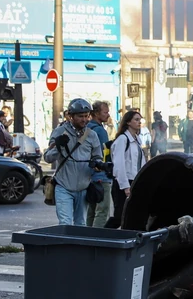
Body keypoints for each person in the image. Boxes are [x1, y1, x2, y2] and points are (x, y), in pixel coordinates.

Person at [43, 98, 102, 226]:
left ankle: (79, 247)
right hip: (64, 187)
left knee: (81, 224)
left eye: (87, 116)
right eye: (80, 116)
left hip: (84, 187)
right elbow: (47, 157)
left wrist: (97, 165)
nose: (84, 119)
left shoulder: (92, 135)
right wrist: (59, 147)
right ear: (70, 116)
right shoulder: (60, 132)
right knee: (65, 224)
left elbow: (98, 157)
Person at [106, 110, 146, 229]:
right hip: (124, 183)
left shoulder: (137, 140)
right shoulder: (123, 139)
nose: (139, 122)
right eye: (136, 119)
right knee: (119, 216)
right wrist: (125, 186)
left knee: (134, 215)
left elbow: (141, 163)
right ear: (128, 122)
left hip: (135, 182)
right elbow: (119, 164)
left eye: (140, 120)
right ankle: (103, 237)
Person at [85, 100, 113, 228]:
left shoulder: (87, 128)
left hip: (88, 174)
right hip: (101, 174)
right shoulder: (100, 131)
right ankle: (97, 239)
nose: (108, 115)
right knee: (102, 210)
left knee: (91, 210)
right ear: (96, 113)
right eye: (105, 112)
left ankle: (87, 237)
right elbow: (104, 154)